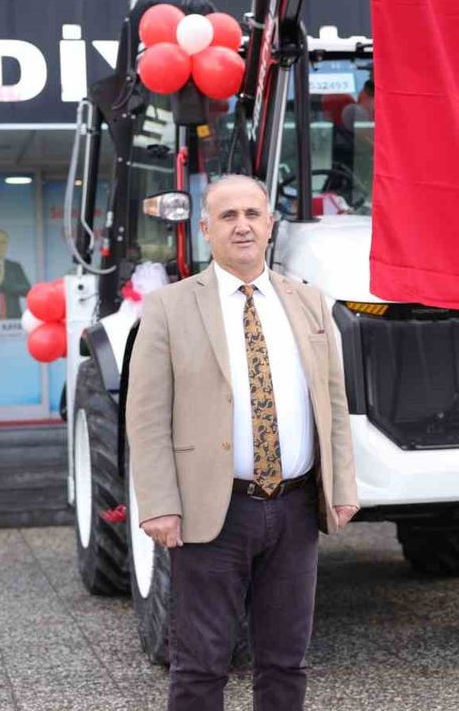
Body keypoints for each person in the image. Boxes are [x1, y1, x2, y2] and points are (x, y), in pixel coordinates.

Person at [128, 175, 359, 710]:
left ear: (270, 224)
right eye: (228, 216)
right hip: (213, 510)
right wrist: (159, 503)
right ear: (205, 229)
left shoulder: (310, 303)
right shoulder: (168, 308)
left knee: (286, 662)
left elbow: (333, 403)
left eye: (253, 214)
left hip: (295, 508)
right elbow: (147, 416)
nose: (242, 226)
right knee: (201, 664)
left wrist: (342, 487)